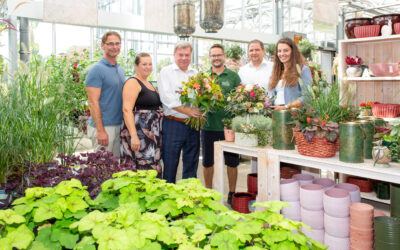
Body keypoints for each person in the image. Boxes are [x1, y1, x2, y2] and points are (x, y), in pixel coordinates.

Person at [201, 44, 241, 205]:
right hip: (208, 126)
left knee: (232, 163)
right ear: (210, 58)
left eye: (219, 55)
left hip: (228, 127)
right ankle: (209, 192)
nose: (216, 58)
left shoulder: (233, 77)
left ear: (224, 56)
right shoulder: (203, 77)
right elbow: (197, 99)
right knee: (207, 162)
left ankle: (232, 192)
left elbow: (239, 100)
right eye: (213, 55)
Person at [158, 41, 202, 183]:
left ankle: (188, 197)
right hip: (173, 124)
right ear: (174, 55)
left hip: (193, 125)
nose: (184, 58)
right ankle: (168, 198)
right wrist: (187, 111)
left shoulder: (195, 74)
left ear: (191, 56)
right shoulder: (166, 72)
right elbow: (166, 98)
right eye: (180, 55)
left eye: (187, 55)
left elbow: (201, 97)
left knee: (192, 163)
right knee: (170, 163)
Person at [120, 53, 163, 177]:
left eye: (150, 64)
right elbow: (127, 110)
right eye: (144, 64)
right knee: (140, 169)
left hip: (151, 135)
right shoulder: (133, 82)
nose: (148, 67)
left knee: (151, 167)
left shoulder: (148, 83)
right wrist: (133, 136)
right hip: (139, 134)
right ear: (136, 66)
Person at [85, 31, 126, 157]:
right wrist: (101, 130)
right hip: (104, 127)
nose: (115, 47)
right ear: (103, 46)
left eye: (117, 43)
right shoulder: (96, 70)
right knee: (103, 170)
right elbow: (92, 102)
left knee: (116, 171)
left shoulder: (120, 69)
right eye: (111, 43)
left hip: (119, 125)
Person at [269, 37, 312, 110]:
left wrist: (286, 107)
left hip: (293, 115)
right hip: (277, 113)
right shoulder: (277, 72)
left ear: (293, 52)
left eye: (286, 50)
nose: (282, 54)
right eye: (279, 51)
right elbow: (275, 95)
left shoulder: (303, 70)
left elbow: (307, 96)